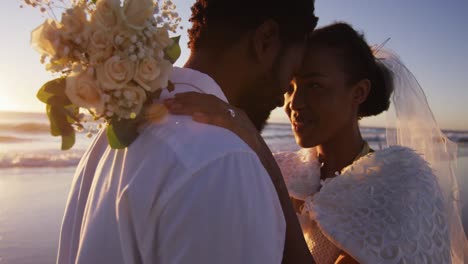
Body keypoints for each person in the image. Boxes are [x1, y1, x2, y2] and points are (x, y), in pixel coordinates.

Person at [165, 23, 468, 263]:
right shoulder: (288, 170)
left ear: (358, 93)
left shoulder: (400, 185)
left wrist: (258, 148)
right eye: (291, 85)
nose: (294, 103)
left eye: (314, 85)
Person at [56, 0, 318, 263]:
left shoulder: (111, 136)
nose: (284, 97)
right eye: (291, 73)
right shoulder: (225, 161)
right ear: (266, 39)